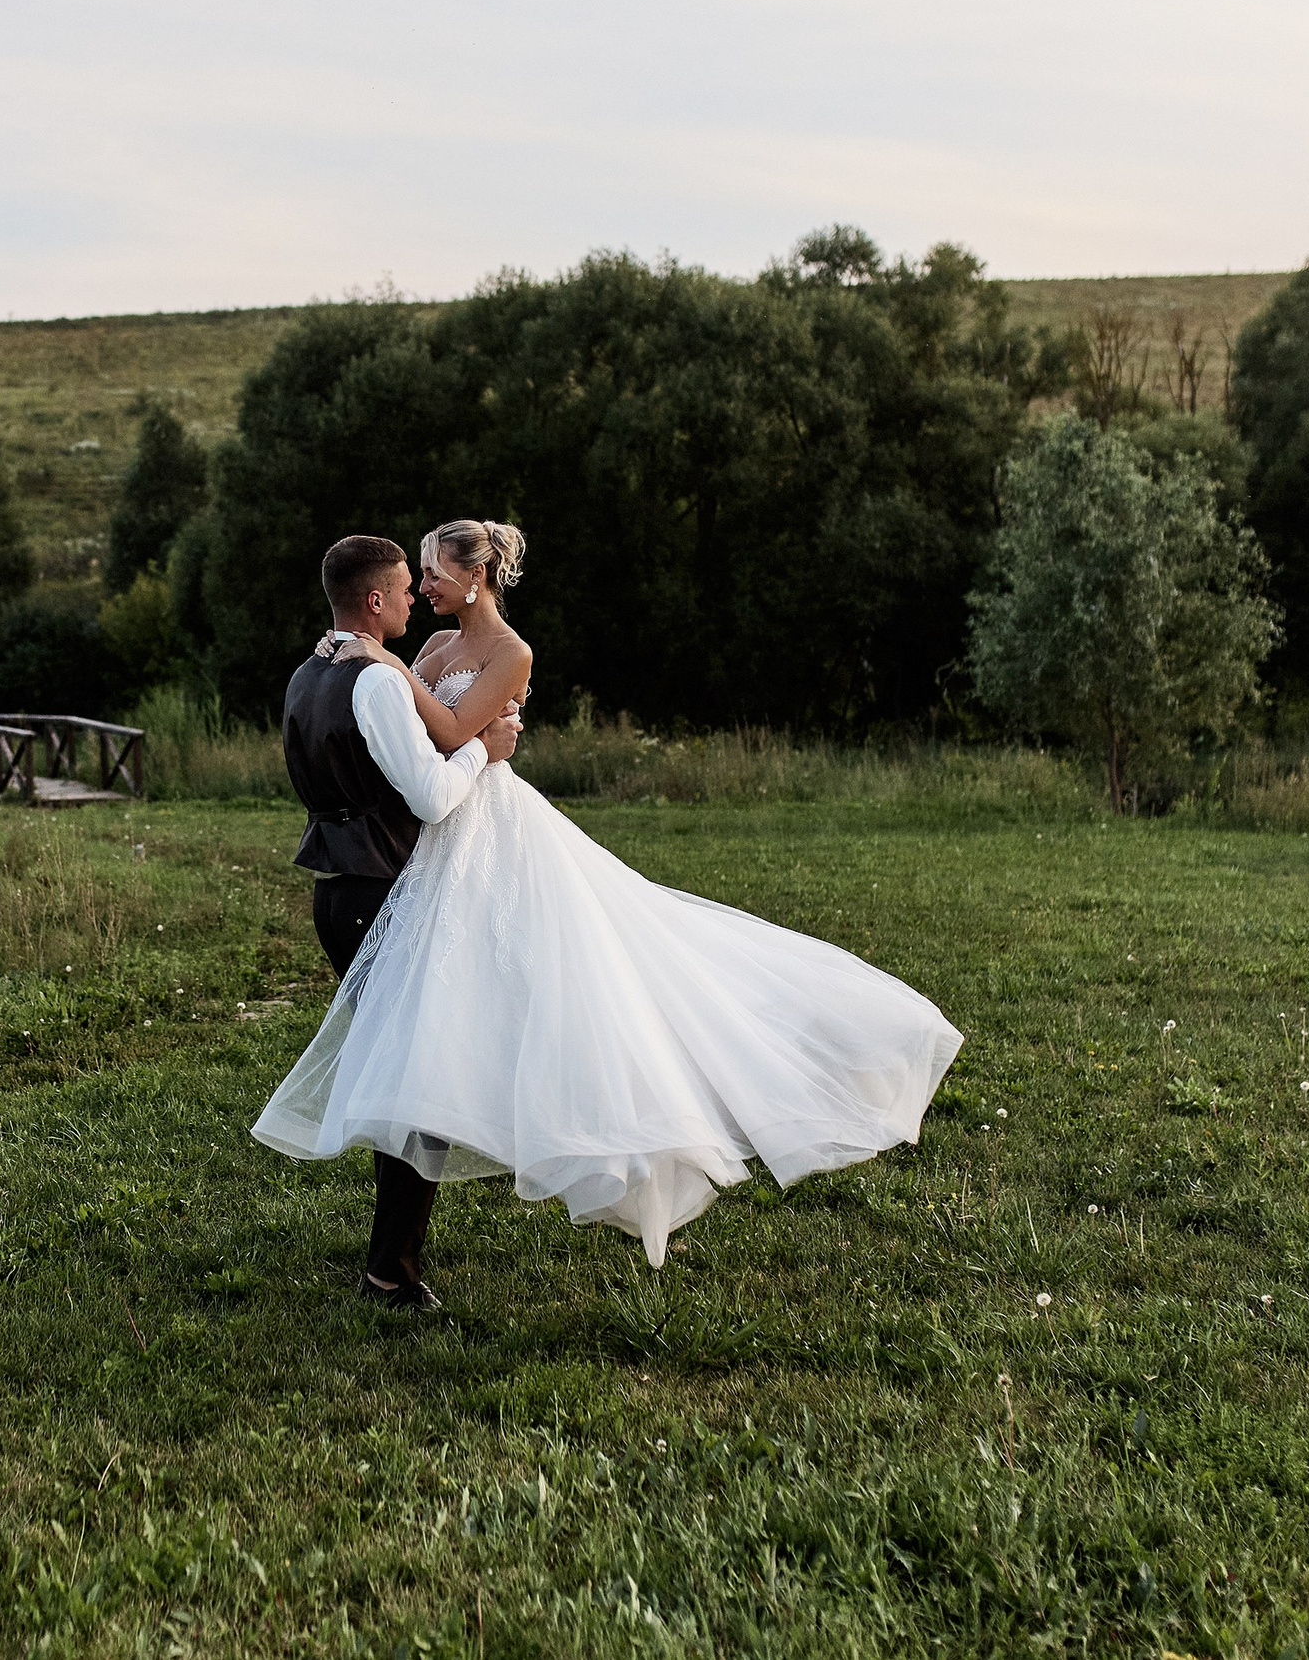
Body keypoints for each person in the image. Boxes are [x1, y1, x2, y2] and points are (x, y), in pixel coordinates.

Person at [252, 520, 963, 1302]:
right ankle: (396, 1254)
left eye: (434, 573)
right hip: (431, 850)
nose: (423, 589)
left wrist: (388, 668)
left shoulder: (506, 652)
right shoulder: (426, 650)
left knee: (552, 1004)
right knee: (429, 1047)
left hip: (482, 834)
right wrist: (367, 658)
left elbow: (449, 728)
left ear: (475, 575)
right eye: (414, 577)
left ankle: (562, 1146)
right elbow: (413, 730)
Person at [273, 534, 523, 1311]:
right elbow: (433, 796)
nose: (416, 596)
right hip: (381, 894)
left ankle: (391, 1259)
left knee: (405, 1071)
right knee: (425, 1083)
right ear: (375, 600)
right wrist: (486, 748)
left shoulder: (308, 674)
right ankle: (390, 1271)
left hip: (337, 893)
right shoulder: (377, 682)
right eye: (406, 587)